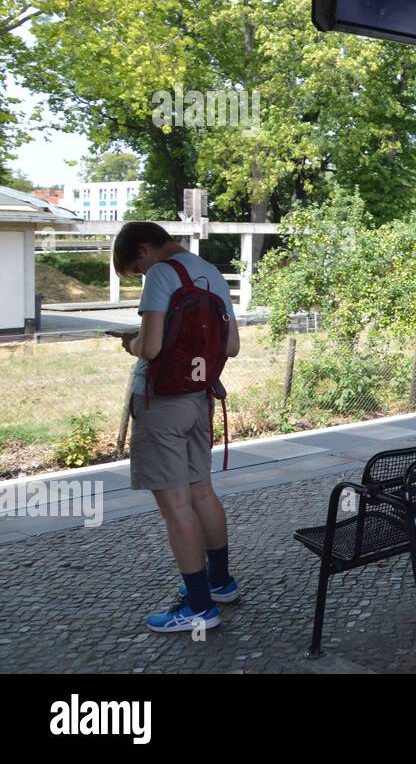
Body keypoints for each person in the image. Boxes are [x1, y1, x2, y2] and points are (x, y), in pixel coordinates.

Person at [111, 222, 240, 633]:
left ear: (145, 248)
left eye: (137, 265)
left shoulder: (163, 274)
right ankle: (220, 583)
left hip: (161, 403)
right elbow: (232, 346)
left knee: (175, 505)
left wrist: (131, 342)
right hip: (199, 398)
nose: (142, 272)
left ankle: (199, 608)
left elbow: (150, 348)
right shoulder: (211, 272)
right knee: (201, 490)